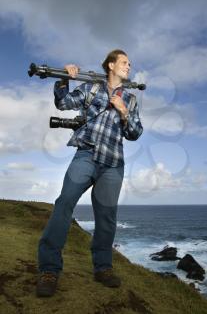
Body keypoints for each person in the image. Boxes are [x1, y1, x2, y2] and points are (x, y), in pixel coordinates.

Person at [36, 49, 143, 297]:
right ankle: (49, 270)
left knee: (106, 218)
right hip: (86, 154)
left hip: (113, 163)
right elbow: (63, 103)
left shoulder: (132, 99)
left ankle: (103, 268)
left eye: (130, 63)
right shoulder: (91, 88)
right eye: (125, 62)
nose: (129, 66)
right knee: (64, 204)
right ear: (111, 65)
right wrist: (65, 78)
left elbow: (135, 133)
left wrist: (124, 113)